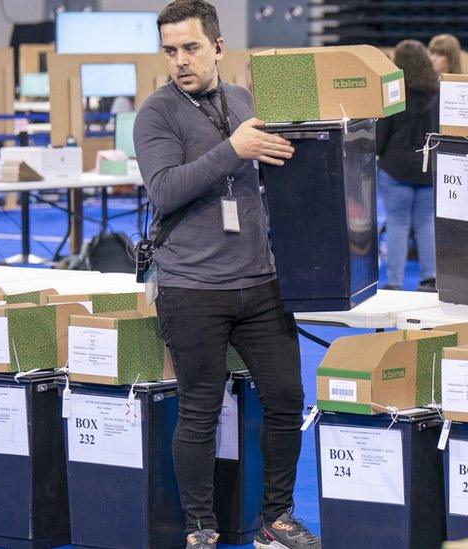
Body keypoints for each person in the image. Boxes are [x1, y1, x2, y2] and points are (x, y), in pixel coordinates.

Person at [133, 2, 319, 548]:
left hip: (260, 283)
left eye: (191, 48)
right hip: (192, 288)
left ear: (218, 47)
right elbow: (165, 190)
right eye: (170, 51)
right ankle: (200, 528)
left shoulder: (243, 101)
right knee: (200, 409)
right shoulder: (156, 114)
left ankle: (276, 519)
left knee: (286, 398)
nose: (180, 61)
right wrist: (233, 149)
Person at [376, 40, 439, 292]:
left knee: (397, 223)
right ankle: (429, 278)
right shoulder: (437, 90)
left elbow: (382, 134)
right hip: (427, 169)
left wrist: (378, 154)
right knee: (426, 223)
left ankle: (394, 282)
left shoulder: (393, 91)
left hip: (396, 168)